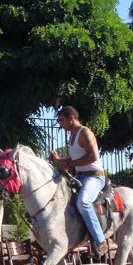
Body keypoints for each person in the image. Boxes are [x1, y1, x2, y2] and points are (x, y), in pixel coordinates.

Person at [51, 106, 108, 256]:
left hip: (94, 177)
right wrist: (60, 160)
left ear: (71, 118)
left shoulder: (85, 133)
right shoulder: (71, 137)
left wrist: (69, 164)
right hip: (80, 176)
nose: (59, 123)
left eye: (61, 120)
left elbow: (92, 157)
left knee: (83, 202)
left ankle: (100, 240)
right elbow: (76, 159)